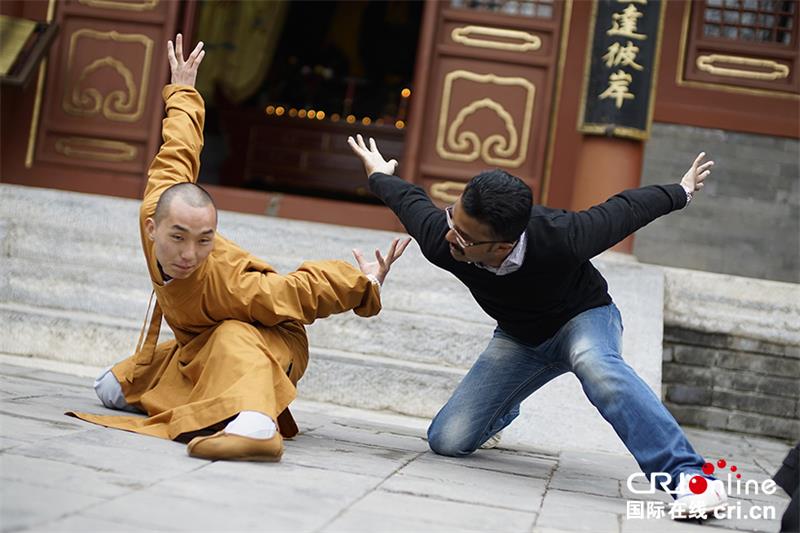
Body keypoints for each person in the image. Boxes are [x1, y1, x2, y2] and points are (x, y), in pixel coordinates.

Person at [68, 35, 410, 462]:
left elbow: (296, 291)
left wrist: (363, 283)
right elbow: (177, 153)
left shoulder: (227, 278)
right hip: (199, 346)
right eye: (179, 238)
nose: (190, 254)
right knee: (110, 388)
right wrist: (183, 91)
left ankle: (256, 426)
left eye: (204, 239)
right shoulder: (156, 207)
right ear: (153, 228)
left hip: (271, 342)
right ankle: (214, 405)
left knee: (234, 335)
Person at [348, 133, 727, 515]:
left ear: (501, 246)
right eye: (452, 219)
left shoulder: (563, 236)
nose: (450, 237)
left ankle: (691, 478)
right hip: (520, 339)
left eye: (463, 237)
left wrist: (681, 191)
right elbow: (409, 201)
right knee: (447, 439)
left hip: (584, 319)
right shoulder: (444, 241)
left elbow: (626, 209)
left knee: (595, 363)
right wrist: (379, 174)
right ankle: (500, 410)